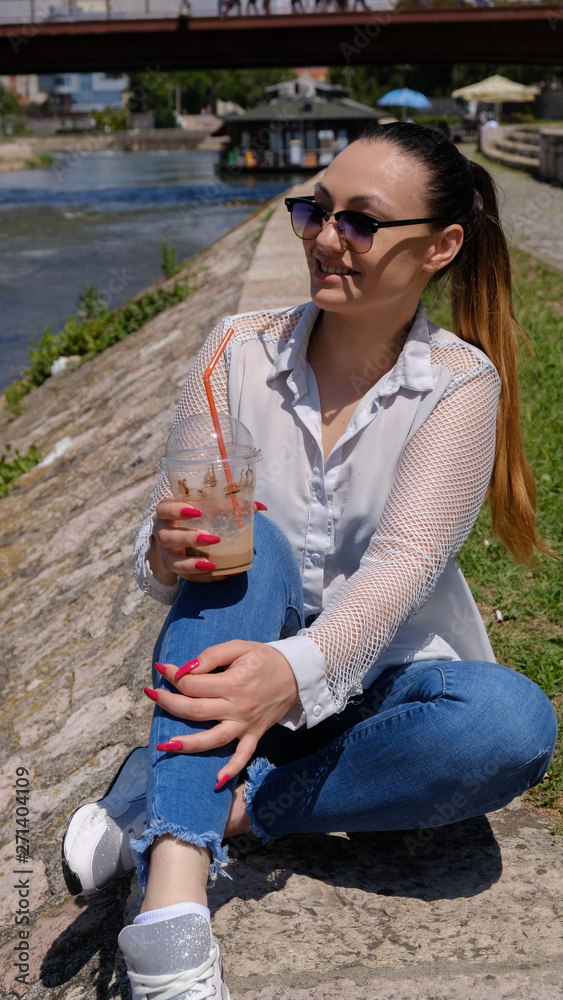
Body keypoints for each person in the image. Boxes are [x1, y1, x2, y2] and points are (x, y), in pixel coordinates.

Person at [62, 123, 557, 1000]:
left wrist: (289, 674)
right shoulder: (236, 348)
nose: (325, 238)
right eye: (314, 210)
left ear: (440, 246)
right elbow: (167, 549)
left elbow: (402, 569)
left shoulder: (457, 383)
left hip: (381, 689)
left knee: (509, 724)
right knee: (250, 546)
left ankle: (195, 804)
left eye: (360, 223)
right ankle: (173, 899)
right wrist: (168, 549)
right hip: (235, 640)